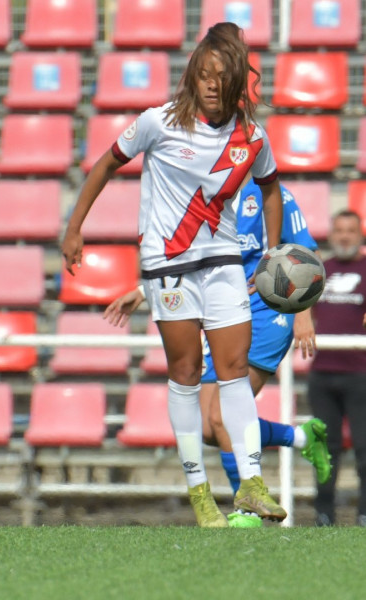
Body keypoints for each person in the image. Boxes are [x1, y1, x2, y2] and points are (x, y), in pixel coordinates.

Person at [62, 22, 286, 527]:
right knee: (185, 373)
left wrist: (274, 252)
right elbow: (104, 165)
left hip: (225, 263)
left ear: (232, 82)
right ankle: (199, 492)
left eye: (219, 76)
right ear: (192, 76)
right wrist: (75, 227)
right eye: (203, 74)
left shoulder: (251, 137)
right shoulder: (157, 121)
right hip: (169, 267)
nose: (210, 84)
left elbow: (271, 188)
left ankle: (250, 483)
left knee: (233, 368)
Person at [104, 180, 333, 527]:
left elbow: (302, 254)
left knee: (221, 418)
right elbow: (188, 254)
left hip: (269, 311)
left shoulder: (272, 192)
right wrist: (142, 290)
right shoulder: (204, 193)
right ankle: (303, 437)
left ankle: (246, 512)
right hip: (227, 312)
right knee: (210, 428)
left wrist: (302, 313)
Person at [308, 210, 366, 527]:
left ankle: (364, 514)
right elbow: (301, 314)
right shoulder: (319, 271)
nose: (344, 236)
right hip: (322, 374)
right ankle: (324, 514)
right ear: (331, 234)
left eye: (350, 230)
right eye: (339, 230)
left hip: (361, 374)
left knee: (365, 449)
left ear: (360, 234)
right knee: (324, 451)